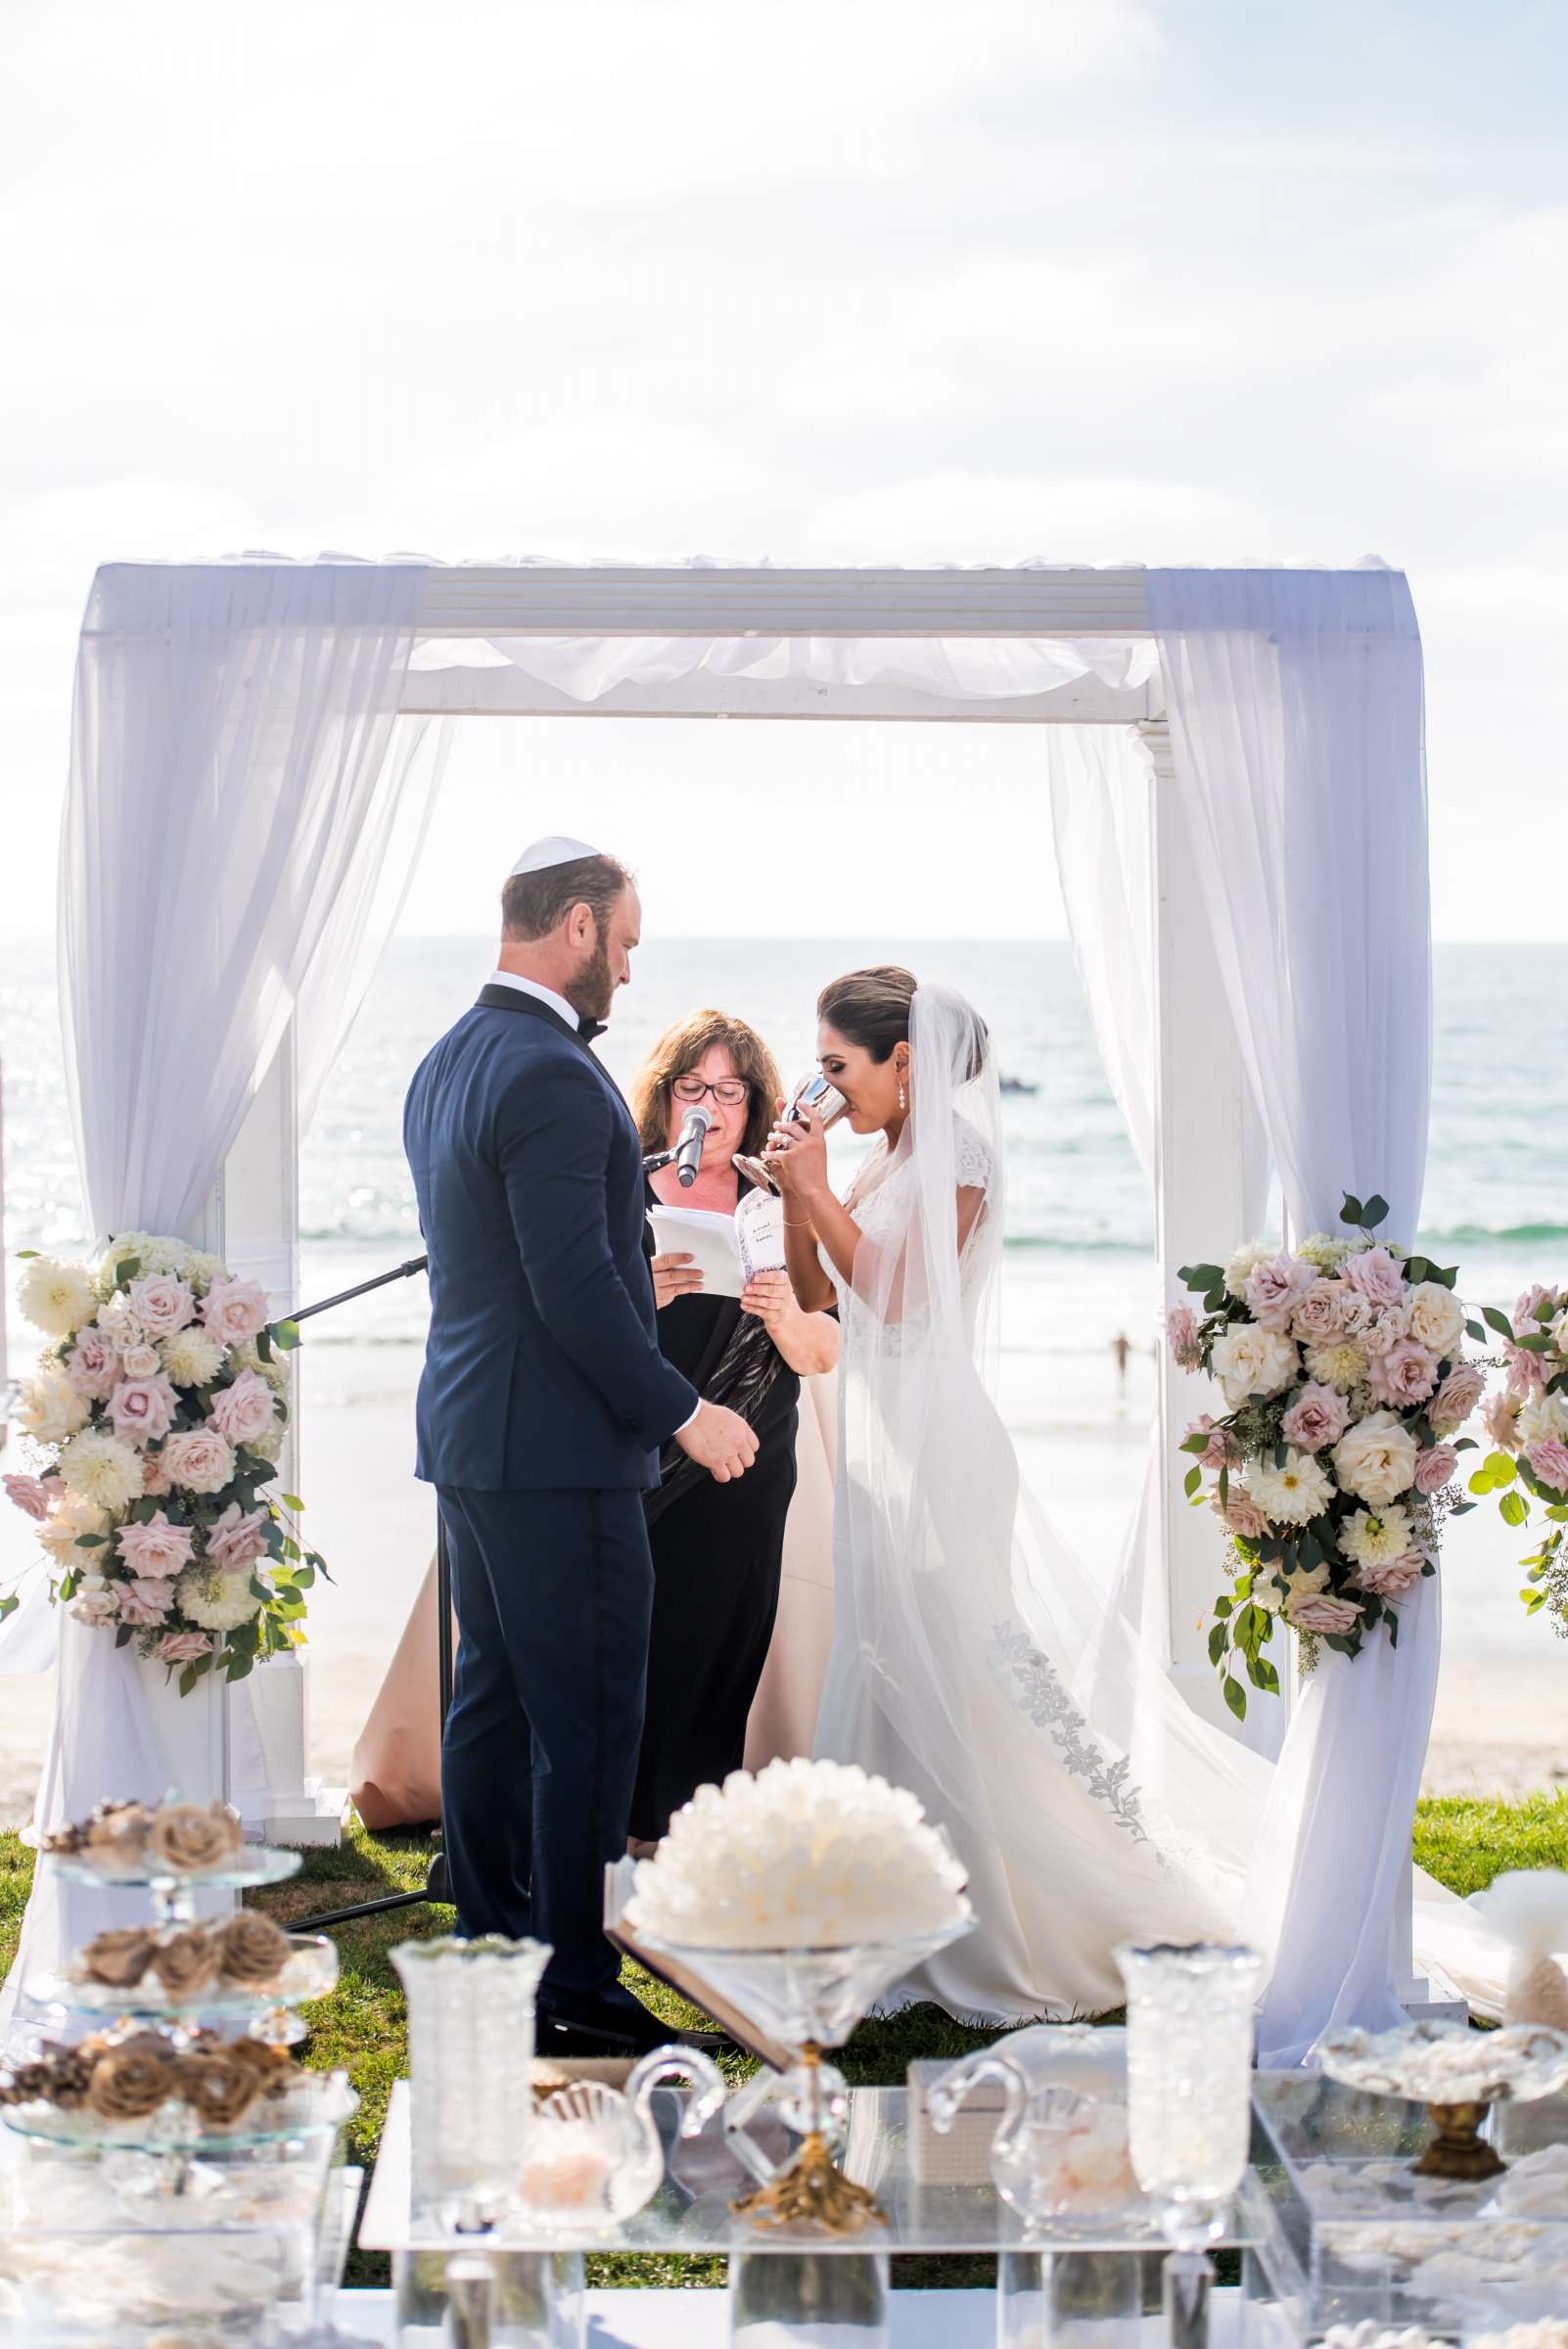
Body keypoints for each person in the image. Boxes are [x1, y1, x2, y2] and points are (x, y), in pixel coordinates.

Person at [763, 966, 1261, 2022]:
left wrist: (812, 1190)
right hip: (881, 1450)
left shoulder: (963, 1158)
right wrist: (791, 1200)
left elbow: (896, 1302)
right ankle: (884, 1917)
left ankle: (1011, 1920)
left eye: (838, 1067)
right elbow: (826, 1302)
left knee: (965, 1681)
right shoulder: (882, 1160)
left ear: (905, 1063)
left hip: (945, 1458)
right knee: (888, 1665)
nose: (826, 1089)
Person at [403, 836, 758, 2052]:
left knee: (494, 1707)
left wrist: (621, 1238)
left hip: (473, 1437)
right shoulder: (552, 1071)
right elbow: (568, 1294)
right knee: (592, 1723)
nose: (627, 969)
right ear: (577, 928)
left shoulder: (451, 1056)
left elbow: (515, 1264)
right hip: (557, 1453)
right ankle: (569, 1996)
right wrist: (687, 1412)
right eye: (626, 942)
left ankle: (494, 1964)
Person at [629, 1013, 840, 1848]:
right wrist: (635, 1295)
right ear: (664, 1096)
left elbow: (825, 1353)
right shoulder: (623, 1189)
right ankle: (613, 1824)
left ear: (755, 1104)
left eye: (728, 1090)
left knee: (717, 1638)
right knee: (631, 1637)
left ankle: (686, 1830)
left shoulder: (786, 1202)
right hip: (641, 1442)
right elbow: (572, 1324)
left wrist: (787, 1311)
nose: (709, 1108)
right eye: (691, 1088)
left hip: (749, 1456)